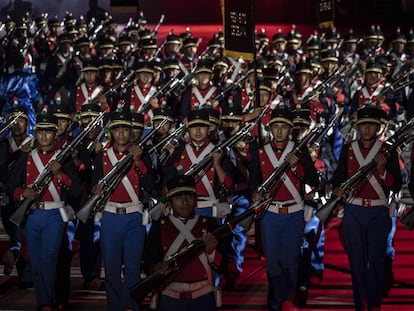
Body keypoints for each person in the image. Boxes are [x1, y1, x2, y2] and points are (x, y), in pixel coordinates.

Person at [8, 109, 82, 311]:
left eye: (48, 132)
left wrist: (60, 175)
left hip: (54, 215)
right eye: (40, 132)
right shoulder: (27, 157)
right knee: (37, 262)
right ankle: (43, 300)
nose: (44, 136)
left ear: (54, 133)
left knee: (49, 259)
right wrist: (23, 193)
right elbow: (11, 184)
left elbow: (76, 190)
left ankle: (45, 302)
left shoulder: (63, 158)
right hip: (32, 214)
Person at [331, 105, 402, 311]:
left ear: (378, 127)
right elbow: (338, 177)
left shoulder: (387, 151)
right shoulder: (348, 149)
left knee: (377, 261)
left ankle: (374, 304)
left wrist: (381, 171)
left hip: (378, 211)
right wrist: (338, 189)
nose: (367, 129)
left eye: (371, 125)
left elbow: (396, 184)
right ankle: (360, 305)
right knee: (357, 262)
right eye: (364, 125)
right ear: (358, 128)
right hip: (354, 210)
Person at [248, 106, 319, 311]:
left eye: (284, 127)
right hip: (270, 213)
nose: (279, 131)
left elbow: (314, 180)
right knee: (272, 263)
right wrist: (255, 193)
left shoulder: (299, 150)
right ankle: (276, 299)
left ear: (290, 129)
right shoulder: (261, 152)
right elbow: (254, 182)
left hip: (294, 212)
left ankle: (287, 299)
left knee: (290, 261)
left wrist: (298, 166)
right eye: (276, 127)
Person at [91, 109, 155, 311]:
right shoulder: (102, 156)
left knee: (133, 269)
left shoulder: (141, 156)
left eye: (124, 129)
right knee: (111, 270)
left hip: (134, 217)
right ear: (111, 131)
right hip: (110, 216)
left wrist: (138, 162)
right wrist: (95, 189)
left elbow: (150, 185)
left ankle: (132, 306)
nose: (121, 133)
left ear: (131, 132)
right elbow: (94, 185)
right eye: (117, 129)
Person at [144, 174, 219, 311]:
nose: (185, 202)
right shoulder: (159, 226)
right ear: (170, 201)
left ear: (195, 200)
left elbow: (225, 265)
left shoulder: (210, 223)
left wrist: (212, 253)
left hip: (203, 297)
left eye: (189, 197)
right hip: (170, 298)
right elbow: (148, 261)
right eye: (178, 198)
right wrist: (156, 267)